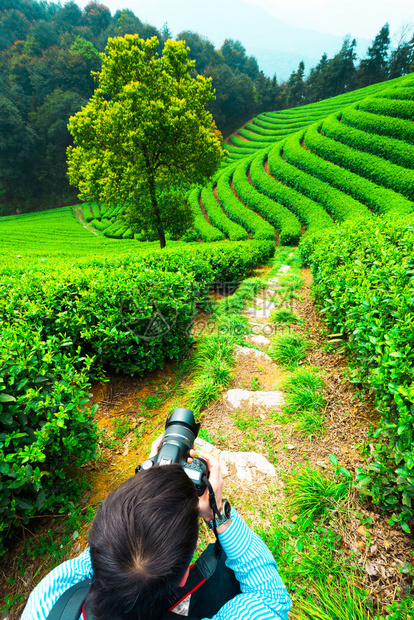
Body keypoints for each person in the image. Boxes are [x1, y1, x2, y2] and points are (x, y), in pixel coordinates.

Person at [21, 436, 291, 620]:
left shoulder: (48, 600)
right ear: (183, 577)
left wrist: (146, 494)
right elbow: (269, 598)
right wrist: (218, 515)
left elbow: (99, 556)